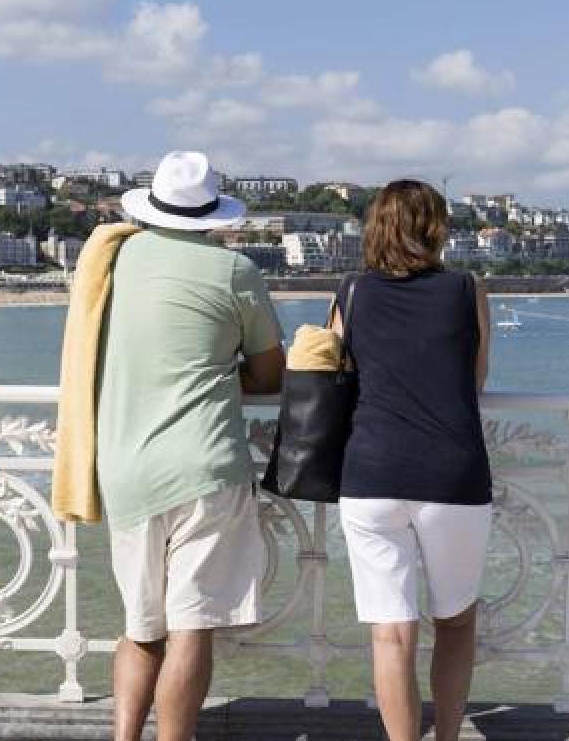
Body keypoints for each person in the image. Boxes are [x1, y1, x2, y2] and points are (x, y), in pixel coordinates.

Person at [100, 151, 285, 740]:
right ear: (214, 216)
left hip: (126, 466)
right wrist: (224, 371)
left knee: (140, 627)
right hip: (206, 463)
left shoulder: (116, 260)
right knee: (191, 629)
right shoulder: (235, 271)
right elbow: (270, 374)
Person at [331, 179, 492, 741]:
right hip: (452, 474)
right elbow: (476, 379)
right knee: (455, 621)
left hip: (371, 475)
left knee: (391, 635)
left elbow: (334, 376)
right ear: (437, 228)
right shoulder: (466, 290)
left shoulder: (350, 293)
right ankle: (445, 735)